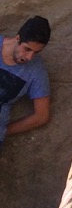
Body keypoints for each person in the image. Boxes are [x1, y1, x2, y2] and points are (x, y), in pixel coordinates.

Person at [0, 16, 51, 148]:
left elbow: (41, 116)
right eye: (27, 49)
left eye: (36, 52)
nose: (29, 57)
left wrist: (3, 131)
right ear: (17, 38)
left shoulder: (36, 70)